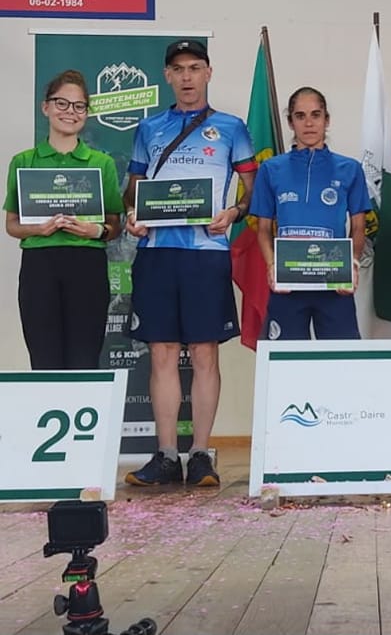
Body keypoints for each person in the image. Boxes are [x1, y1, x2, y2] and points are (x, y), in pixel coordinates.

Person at [124, 39, 257, 488]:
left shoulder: (232, 127)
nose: (186, 77)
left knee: (204, 352)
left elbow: (252, 189)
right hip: (157, 253)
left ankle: (200, 454)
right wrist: (132, 215)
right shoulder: (149, 128)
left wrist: (234, 213)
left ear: (208, 72)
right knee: (160, 352)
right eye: (178, 69)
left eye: (194, 68)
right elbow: (133, 188)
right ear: (167, 75)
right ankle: (165, 455)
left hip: (207, 254)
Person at [4, 70, 123, 369]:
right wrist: (39, 229)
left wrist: (94, 230)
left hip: (87, 266)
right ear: (46, 107)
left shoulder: (101, 163)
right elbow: (12, 225)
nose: (70, 112)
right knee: (44, 360)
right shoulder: (23, 161)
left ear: (87, 112)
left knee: (84, 359)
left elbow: (114, 225)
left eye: (79, 106)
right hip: (38, 266)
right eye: (62, 103)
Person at [250, 87, 370, 339]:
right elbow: (263, 230)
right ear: (290, 122)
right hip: (287, 284)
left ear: (327, 120)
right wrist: (272, 265)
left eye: (316, 115)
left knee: (341, 363)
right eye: (300, 115)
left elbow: (359, 227)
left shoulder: (350, 169)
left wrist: (354, 263)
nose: (309, 123)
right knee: (286, 366)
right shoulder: (271, 169)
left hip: (334, 283)